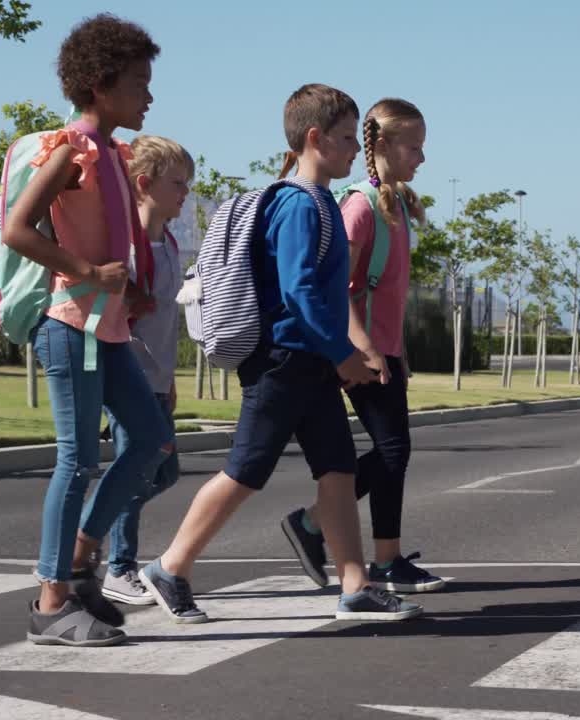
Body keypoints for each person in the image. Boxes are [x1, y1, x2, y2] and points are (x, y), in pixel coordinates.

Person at [141, 84, 420, 624]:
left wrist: (334, 355)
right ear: (314, 139)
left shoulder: (318, 202)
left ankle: (355, 585)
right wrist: (343, 352)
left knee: (338, 469)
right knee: (246, 471)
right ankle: (169, 567)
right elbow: (301, 291)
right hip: (283, 362)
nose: (352, 149)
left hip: (309, 363)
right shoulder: (299, 205)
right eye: (344, 138)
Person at [4, 13, 172, 647]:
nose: (148, 96)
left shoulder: (112, 154)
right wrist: (87, 270)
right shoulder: (71, 150)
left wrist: (127, 285)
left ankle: (80, 557)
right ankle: (53, 603)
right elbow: (20, 229)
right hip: (70, 325)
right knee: (76, 462)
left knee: (151, 439)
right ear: (101, 85)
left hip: (106, 327)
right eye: (137, 82)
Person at [281, 98, 444, 594]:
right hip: (362, 347)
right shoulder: (360, 206)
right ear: (387, 146)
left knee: (393, 451)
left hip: (384, 347)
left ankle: (383, 555)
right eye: (413, 147)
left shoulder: (393, 205)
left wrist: (398, 351)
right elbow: (338, 286)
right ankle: (315, 524)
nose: (421, 158)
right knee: (392, 451)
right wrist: (366, 349)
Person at [99, 135, 193, 606]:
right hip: (128, 374)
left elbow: (166, 322)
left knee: (166, 471)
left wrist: (171, 380)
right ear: (143, 183)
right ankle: (118, 567)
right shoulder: (127, 248)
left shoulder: (170, 243)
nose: (185, 193)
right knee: (138, 467)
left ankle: (100, 519)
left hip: (157, 378)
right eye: (177, 183)